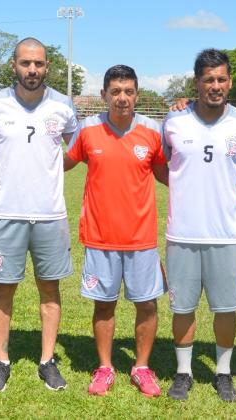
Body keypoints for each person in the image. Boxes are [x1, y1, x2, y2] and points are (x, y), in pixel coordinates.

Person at [0, 37, 79, 392]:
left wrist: (49, 170)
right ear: (14, 65)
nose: (32, 70)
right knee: (4, 290)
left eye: (38, 64)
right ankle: (1, 361)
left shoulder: (64, 106)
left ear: (47, 66)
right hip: (5, 215)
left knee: (49, 290)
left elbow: (77, 150)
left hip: (50, 216)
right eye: (25, 63)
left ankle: (47, 360)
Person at [64, 65, 168, 397]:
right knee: (104, 305)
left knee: (147, 305)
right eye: (116, 91)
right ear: (104, 95)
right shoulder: (87, 129)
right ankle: (105, 367)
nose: (122, 98)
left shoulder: (153, 131)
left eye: (128, 91)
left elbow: (169, 175)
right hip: (99, 236)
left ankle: (141, 367)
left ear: (137, 94)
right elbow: (58, 164)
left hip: (141, 238)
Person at [163, 49, 236, 403]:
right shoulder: (173, 122)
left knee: (225, 308)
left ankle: (223, 373)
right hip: (182, 232)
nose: (215, 86)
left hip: (227, 234)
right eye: (208, 80)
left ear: (229, 82)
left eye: (221, 79)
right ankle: (184, 372)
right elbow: (162, 166)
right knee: (182, 307)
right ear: (196, 83)